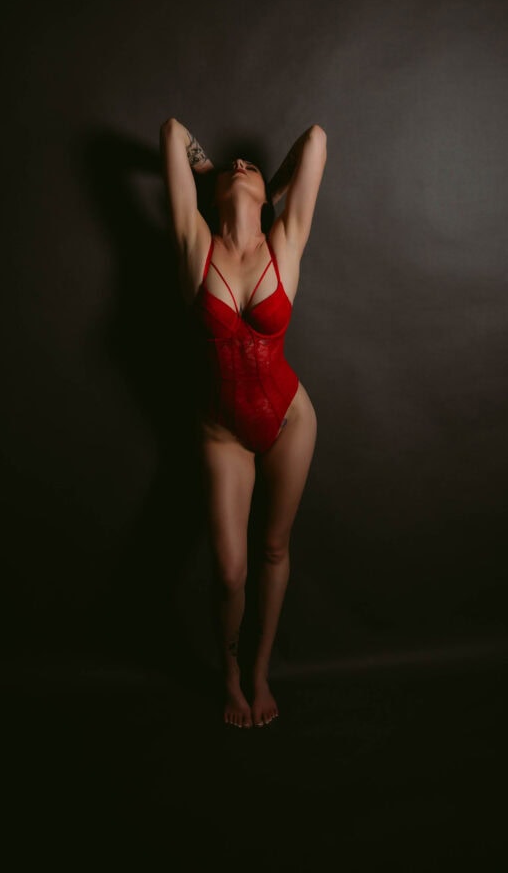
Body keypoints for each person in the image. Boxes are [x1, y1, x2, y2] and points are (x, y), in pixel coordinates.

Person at [160, 116, 326, 728]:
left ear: (268, 193)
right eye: (230, 167)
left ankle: (259, 671)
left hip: (288, 418)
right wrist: (212, 172)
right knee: (230, 570)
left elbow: (315, 140)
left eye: (249, 166)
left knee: (275, 547)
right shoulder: (194, 242)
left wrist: (268, 185)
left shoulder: (285, 242)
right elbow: (173, 131)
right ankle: (228, 674)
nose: (238, 166)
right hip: (221, 432)